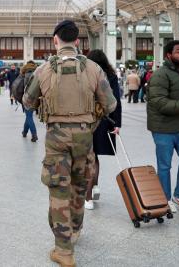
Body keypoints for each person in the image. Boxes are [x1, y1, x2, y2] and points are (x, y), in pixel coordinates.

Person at [23, 20, 116, 267]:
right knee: (79, 185)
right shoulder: (94, 69)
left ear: (55, 41)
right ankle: (74, 230)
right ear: (77, 42)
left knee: (58, 190)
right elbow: (111, 104)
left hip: (56, 139)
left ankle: (63, 251)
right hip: (85, 137)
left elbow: (28, 102)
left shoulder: (43, 70)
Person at [146, 40, 179, 215]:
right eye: (178, 51)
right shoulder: (160, 75)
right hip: (163, 128)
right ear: (168, 55)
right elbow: (159, 102)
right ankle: (165, 198)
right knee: (164, 166)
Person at [84, 49, 122, 210]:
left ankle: (88, 197)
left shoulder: (86, 74)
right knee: (95, 155)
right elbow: (116, 101)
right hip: (105, 120)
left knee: (89, 157)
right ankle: (95, 186)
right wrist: (117, 123)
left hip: (87, 119)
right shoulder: (111, 76)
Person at [19, 61, 38, 142]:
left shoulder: (24, 74)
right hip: (37, 97)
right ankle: (24, 132)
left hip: (28, 97)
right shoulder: (38, 73)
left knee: (29, 116)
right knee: (28, 115)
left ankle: (34, 134)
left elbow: (20, 87)